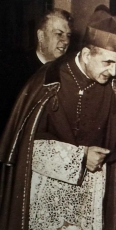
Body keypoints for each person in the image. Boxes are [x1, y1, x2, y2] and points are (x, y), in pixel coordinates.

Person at [0, 6, 116, 230]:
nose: (113, 71)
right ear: (86, 54)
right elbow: (27, 149)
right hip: (47, 198)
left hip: (90, 202)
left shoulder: (114, 92)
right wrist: (80, 157)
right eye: (107, 62)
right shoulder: (48, 82)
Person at [0, 8, 73, 136]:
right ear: (41, 36)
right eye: (59, 34)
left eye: (68, 35)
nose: (65, 41)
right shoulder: (14, 69)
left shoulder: (68, 72)